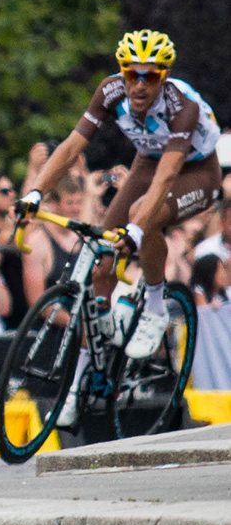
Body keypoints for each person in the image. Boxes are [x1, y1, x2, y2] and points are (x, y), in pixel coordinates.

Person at [20, 29, 221, 428]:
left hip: (195, 171)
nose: (139, 85)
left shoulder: (182, 106)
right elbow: (71, 147)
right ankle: (79, 385)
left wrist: (137, 230)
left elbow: (166, 177)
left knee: (145, 214)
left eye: (150, 76)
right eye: (132, 75)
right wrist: (35, 193)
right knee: (101, 263)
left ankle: (155, 308)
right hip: (147, 161)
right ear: (122, 73)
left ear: (164, 76)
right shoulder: (110, 91)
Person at [21, 176, 85, 306]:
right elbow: (37, 301)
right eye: (70, 203)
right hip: (53, 317)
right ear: (54, 205)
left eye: (79, 202)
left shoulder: (81, 237)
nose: (76, 208)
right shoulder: (37, 241)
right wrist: (71, 319)